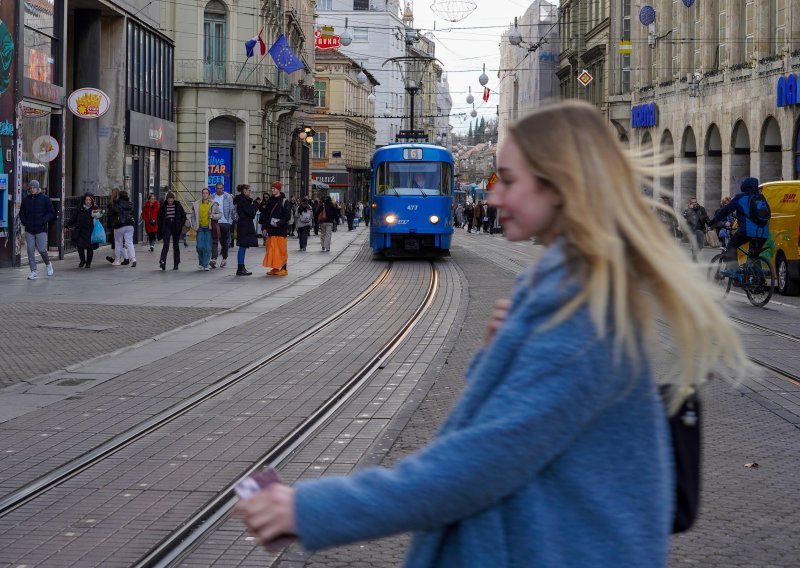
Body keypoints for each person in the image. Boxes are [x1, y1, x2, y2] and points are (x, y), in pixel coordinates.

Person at [235, 100, 751, 567]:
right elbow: (506, 427)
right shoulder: (560, 287)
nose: (491, 194)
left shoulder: (583, 313)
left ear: (558, 185)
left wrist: (305, 509)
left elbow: (474, 465)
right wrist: (497, 353)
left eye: (507, 179)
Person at [708, 177, 769, 276]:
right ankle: (759, 281)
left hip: (747, 231)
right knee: (754, 255)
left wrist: (711, 222)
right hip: (763, 232)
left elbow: (724, 212)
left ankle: (734, 270)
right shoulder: (761, 197)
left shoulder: (740, 197)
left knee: (731, 245)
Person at [19, 180, 56, 279]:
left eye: (33, 188)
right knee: (30, 250)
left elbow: (51, 212)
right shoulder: (26, 200)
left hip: (41, 228)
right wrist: (25, 222)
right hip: (29, 229)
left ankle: (48, 264)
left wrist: (43, 220)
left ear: (37, 188)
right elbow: (21, 213)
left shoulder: (45, 199)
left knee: (41, 249)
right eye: (30, 188)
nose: (32, 190)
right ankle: (33, 271)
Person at [262, 181, 292, 276]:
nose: (272, 190)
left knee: (281, 249)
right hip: (271, 230)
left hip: (280, 230)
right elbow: (266, 215)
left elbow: (287, 216)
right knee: (271, 249)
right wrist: (264, 227)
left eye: (274, 188)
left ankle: (284, 268)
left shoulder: (284, 201)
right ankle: (275, 267)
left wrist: (278, 223)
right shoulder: (270, 200)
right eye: (272, 188)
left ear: (279, 189)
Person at [65, 192, 101, 268]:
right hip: (80, 230)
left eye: (89, 200)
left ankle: (88, 263)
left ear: (92, 200)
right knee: (79, 246)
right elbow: (73, 218)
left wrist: (98, 215)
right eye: (86, 199)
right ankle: (82, 260)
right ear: (84, 200)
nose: (88, 201)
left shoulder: (94, 208)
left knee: (90, 248)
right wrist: (67, 226)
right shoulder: (79, 208)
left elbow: (99, 218)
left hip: (91, 231)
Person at [190, 187, 221, 270]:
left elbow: (220, 214)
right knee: (200, 247)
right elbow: (192, 216)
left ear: (209, 195)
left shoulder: (213, 204)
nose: (204, 194)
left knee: (207, 247)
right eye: (203, 193)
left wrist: (213, 216)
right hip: (200, 228)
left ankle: (205, 264)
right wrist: (194, 225)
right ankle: (201, 262)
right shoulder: (196, 204)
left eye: (206, 193)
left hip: (209, 228)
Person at [157, 191, 187, 270]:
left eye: (171, 201)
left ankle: (176, 263)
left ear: (174, 199)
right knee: (166, 244)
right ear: (166, 199)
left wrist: (180, 224)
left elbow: (184, 215)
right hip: (167, 226)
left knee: (175, 245)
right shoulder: (163, 206)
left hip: (175, 226)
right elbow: (159, 217)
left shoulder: (178, 205)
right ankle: (162, 261)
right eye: (169, 201)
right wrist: (161, 224)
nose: (170, 202)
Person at [233, 183, 258, 275]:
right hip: (244, 226)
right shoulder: (243, 201)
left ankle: (241, 267)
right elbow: (251, 213)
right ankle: (240, 267)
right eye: (249, 190)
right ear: (244, 191)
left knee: (242, 246)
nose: (250, 192)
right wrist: (255, 205)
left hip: (242, 225)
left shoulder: (241, 199)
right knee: (242, 247)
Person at [109, 190, 137, 267]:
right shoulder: (130, 204)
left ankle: (117, 260)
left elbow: (113, 212)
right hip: (130, 224)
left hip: (119, 224)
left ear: (119, 196)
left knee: (118, 243)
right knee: (129, 242)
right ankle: (133, 258)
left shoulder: (117, 203)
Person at [210, 182, 234, 269]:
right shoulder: (212, 196)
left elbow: (232, 210)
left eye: (221, 188)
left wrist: (230, 222)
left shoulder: (228, 197)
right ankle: (214, 258)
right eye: (218, 188)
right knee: (214, 240)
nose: (219, 190)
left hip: (225, 222)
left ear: (223, 188)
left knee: (224, 242)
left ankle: (224, 258)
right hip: (216, 221)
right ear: (215, 189)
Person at [105, 188, 130, 265]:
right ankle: (116, 258)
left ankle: (122, 259)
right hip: (121, 224)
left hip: (116, 224)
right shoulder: (121, 203)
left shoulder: (114, 204)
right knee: (118, 242)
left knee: (118, 242)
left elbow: (111, 215)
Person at [682, 196, 710, 261]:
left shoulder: (702, 209)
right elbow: (684, 216)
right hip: (692, 230)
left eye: (695, 202)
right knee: (694, 244)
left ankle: (694, 253)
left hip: (700, 230)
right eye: (693, 202)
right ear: (690, 203)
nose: (694, 203)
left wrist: (710, 225)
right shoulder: (687, 210)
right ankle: (694, 258)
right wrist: (690, 209)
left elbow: (706, 217)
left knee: (701, 246)